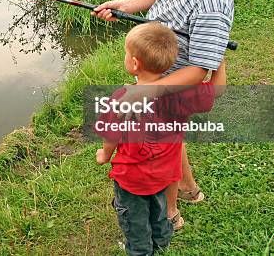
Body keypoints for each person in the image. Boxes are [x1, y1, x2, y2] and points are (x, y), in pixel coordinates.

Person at [92, 0, 234, 224]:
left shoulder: (213, 9)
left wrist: (149, 91)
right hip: (158, 70)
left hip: (172, 82)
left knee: (165, 143)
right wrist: (126, 5)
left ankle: (170, 211)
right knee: (171, 139)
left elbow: (200, 70)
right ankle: (191, 188)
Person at [95, 22, 226, 256]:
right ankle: (162, 242)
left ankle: (140, 250)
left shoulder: (122, 98)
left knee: (135, 220)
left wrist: (105, 154)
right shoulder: (183, 94)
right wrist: (218, 56)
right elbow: (217, 89)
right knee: (159, 209)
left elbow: (110, 135)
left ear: (134, 64)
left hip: (132, 180)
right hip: (165, 174)